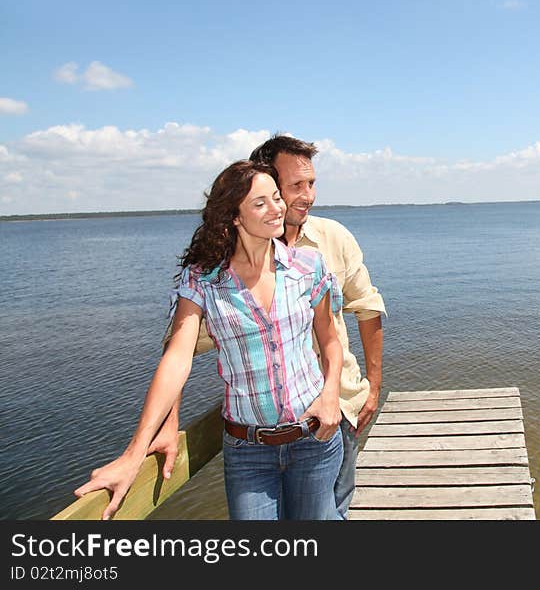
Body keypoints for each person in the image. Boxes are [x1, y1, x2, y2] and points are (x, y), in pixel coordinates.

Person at [75, 160, 344, 520]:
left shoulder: (307, 266)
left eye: (276, 197)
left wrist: (330, 398)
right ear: (233, 215)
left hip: (315, 440)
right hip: (248, 451)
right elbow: (176, 358)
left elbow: (329, 339)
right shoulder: (203, 280)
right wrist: (134, 452)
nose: (277, 208)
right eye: (260, 202)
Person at [150, 135, 386, 519]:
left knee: (338, 512)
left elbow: (367, 306)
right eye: (294, 186)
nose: (307, 196)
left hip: (338, 409)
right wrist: (169, 421)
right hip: (260, 434)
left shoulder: (332, 240)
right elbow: (181, 348)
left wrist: (372, 388)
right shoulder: (224, 273)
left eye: (311, 184)